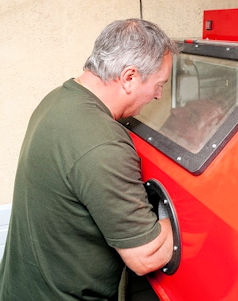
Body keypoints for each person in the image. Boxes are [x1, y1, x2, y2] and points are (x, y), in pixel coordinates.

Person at [0, 18, 178, 301]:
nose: (158, 95)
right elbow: (146, 256)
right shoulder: (102, 141)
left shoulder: (59, 99)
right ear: (129, 77)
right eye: (159, 85)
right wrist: (194, 217)